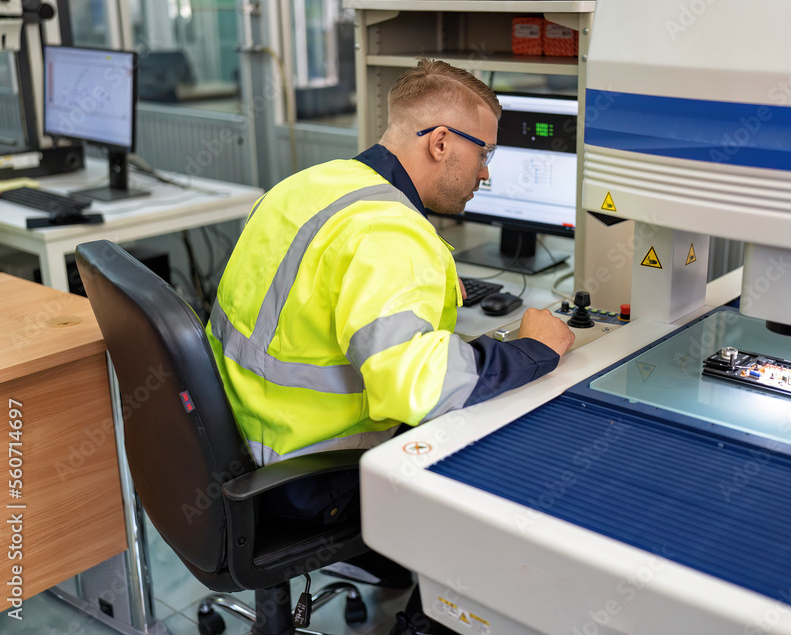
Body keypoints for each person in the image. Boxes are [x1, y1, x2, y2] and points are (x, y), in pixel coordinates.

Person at [205, 57, 574, 528]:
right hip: (312, 477)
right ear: (440, 143)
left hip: (242, 440)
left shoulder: (308, 185)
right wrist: (531, 351)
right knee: (508, 470)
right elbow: (421, 388)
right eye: (485, 154)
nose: (485, 173)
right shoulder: (391, 233)